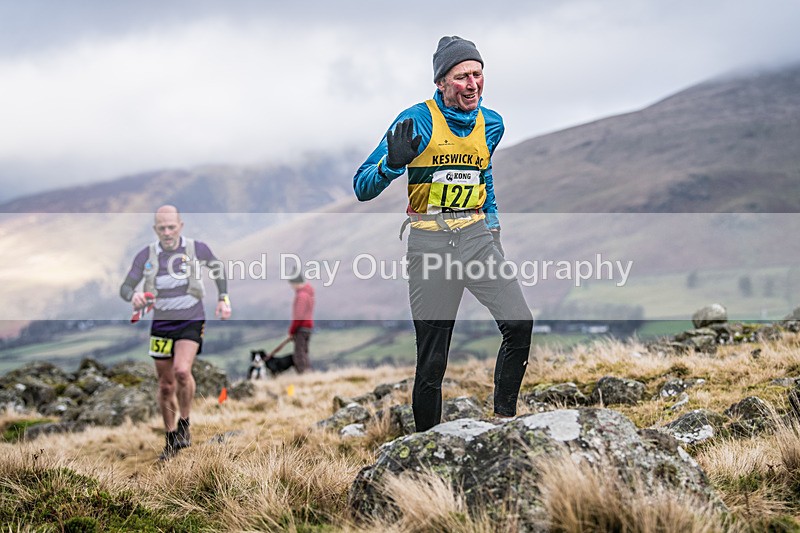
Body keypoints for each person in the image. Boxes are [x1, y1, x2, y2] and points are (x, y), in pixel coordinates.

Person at [353, 36, 533, 432]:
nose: (472, 84)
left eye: (478, 75)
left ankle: (504, 423)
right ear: (441, 82)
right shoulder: (416, 120)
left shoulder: (493, 124)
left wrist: (494, 230)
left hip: (476, 238)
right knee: (433, 359)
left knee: (519, 323)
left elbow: (483, 176)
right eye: (462, 76)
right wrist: (392, 164)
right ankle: (426, 447)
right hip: (431, 244)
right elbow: (361, 186)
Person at [119, 205, 231, 460]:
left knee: (182, 371)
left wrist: (223, 298)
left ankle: (185, 423)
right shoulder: (146, 255)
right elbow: (125, 287)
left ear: (181, 225)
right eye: (162, 228)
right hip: (161, 324)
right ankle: (170, 438)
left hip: (191, 318)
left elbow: (217, 270)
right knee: (166, 384)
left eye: (171, 227)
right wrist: (133, 296)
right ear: (155, 229)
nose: (167, 232)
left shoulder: (196, 249)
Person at [288, 272, 314, 373]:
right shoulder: (308, 294)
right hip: (308, 327)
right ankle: (308, 373)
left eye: (292, 284)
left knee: (299, 353)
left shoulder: (301, 296)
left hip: (301, 327)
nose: (292, 287)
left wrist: (292, 331)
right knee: (304, 352)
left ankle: (303, 374)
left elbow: (299, 316)